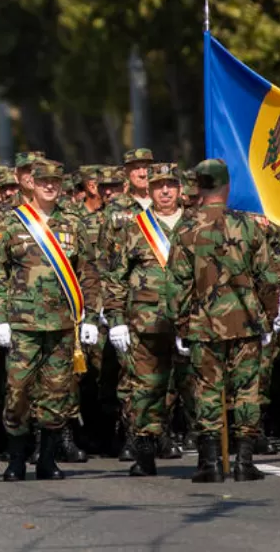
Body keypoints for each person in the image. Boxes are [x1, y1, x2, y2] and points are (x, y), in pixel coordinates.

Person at [0, 159, 102, 482]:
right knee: (18, 390)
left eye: (55, 181)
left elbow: (87, 273)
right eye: (44, 181)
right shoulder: (11, 223)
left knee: (56, 392)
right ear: (31, 184)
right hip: (23, 323)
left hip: (63, 324)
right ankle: (17, 459)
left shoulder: (73, 223)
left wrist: (89, 316)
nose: (50, 186)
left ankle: (47, 459)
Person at [171, 159, 279, 483]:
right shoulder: (248, 226)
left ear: (199, 187)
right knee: (247, 390)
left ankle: (211, 463)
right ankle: (244, 461)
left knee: (206, 391)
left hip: (203, 325)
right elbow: (267, 277)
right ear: (227, 186)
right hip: (246, 322)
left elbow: (177, 284)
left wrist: (180, 324)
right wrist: (270, 317)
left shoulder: (186, 228)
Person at [104, 163, 190, 476]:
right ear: (148, 191)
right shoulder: (134, 228)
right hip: (146, 322)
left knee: (195, 387)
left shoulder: (195, 225)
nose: (165, 191)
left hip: (191, 322)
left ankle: (208, 453)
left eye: (170, 185)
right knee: (146, 388)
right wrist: (116, 319)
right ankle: (144, 450)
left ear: (180, 189)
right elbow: (115, 277)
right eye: (158, 186)